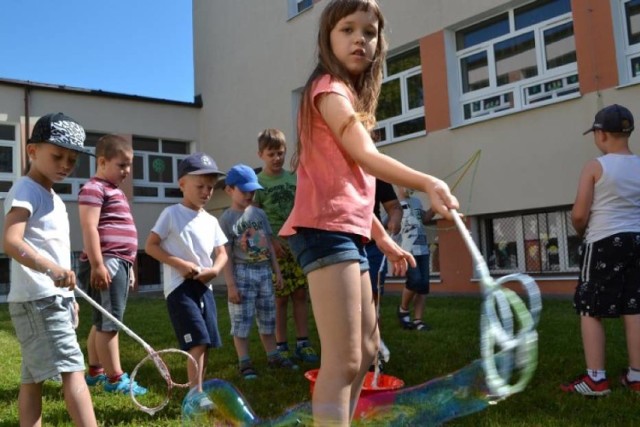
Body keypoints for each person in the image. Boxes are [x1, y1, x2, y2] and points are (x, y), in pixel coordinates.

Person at [278, 1, 459, 424]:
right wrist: (428, 182)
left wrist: (380, 236)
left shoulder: (348, 97)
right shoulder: (328, 88)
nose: (361, 38)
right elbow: (364, 154)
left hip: (346, 231)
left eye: (370, 32)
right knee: (342, 360)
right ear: (328, 38)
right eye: (348, 29)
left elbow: (346, 186)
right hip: (323, 232)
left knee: (366, 353)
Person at [2, 112, 98, 426]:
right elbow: (11, 242)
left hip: (50, 300)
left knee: (33, 378)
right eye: (57, 156)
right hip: (40, 300)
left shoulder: (52, 195)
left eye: (72, 160)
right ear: (32, 151)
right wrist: (52, 270)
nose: (66, 165)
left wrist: (69, 300)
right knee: (74, 369)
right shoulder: (27, 190)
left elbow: (48, 246)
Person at [561, 104, 640, 396]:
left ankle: (596, 379)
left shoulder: (596, 166)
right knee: (635, 306)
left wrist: (581, 233)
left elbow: (580, 214)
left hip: (604, 242)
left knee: (590, 307)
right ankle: (636, 376)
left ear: (601, 134)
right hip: (636, 241)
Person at [145, 152, 228, 411]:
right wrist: (180, 265)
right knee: (197, 340)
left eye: (210, 188)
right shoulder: (171, 214)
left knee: (206, 342)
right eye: (200, 186)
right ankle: (195, 394)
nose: (206, 192)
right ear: (182, 184)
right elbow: (150, 246)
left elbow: (222, 252)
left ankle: (198, 390)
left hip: (205, 287)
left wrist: (214, 270)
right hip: (180, 289)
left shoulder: (211, 220)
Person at [78, 134, 147, 396]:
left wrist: (127, 268)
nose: (127, 172)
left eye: (129, 166)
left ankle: (95, 372)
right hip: (106, 261)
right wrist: (98, 264)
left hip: (116, 262)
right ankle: (115, 379)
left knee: (101, 320)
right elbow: (89, 226)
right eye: (122, 165)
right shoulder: (95, 188)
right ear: (103, 161)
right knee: (111, 322)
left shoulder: (113, 191)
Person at [220, 164, 299, 380]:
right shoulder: (226, 219)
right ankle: (244, 362)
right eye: (244, 190)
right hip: (242, 273)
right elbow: (225, 253)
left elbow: (269, 245)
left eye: (252, 191)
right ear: (229, 190)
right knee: (241, 320)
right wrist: (231, 285)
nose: (249, 195)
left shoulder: (259, 214)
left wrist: (277, 272)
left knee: (268, 317)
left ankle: (273, 356)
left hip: (264, 272)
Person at [253, 129, 319, 363]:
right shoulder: (257, 184)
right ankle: (281, 346)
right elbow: (254, 220)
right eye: (271, 154)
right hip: (275, 251)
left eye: (280, 153)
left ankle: (303, 343)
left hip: (297, 246)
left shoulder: (294, 178)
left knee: (300, 295)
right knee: (279, 299)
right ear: (261, 154)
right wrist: (270, 242)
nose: (277, 158)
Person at [396, 186, 434, 331]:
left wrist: (435, 208)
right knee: (415, 280)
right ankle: (403, 309)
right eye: (404, 185)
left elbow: (424, 218)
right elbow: (389, 222)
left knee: (423, 286)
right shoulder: (396, 204)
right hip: (407, 250)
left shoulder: (417, 202)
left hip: (422, 249)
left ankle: (418, 321)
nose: (408, 188)